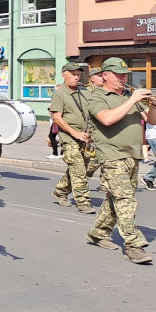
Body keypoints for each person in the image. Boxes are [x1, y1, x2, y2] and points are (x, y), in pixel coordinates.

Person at [84, 57, 152, 264]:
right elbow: (106, 118)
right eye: (118, 75)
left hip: (132, 155)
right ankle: (133, 245)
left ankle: (98, 232)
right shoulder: (97, 97)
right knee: (125, 200)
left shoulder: (128, 96)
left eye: (125, 75)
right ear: (104, 75)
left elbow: (153, 120)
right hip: (112, 155)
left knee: (116, 199)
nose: (123, 79)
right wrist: (133, 100)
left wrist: (154, 104)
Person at [49, 63, 96, 214]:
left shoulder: (85, 92)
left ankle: (60, 190)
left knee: (84, 169)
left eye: (78, 74)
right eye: (73, 74)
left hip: (87, 137)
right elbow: (57, 118)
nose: (76, 77)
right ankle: (83, 201)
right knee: (78, 167)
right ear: (64, 74)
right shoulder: (60, 94)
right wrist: (75, 133)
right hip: (69, 138)